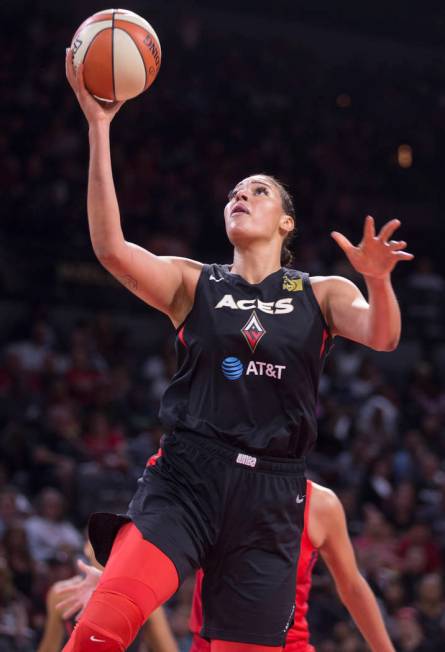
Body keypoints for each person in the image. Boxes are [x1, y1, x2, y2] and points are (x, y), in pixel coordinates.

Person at [64, 49, 413, 652]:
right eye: (233, 193)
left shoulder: (322, 291)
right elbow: (110, 247)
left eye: (257, 192)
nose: (240, 197)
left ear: (286, 224)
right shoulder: (193, 281)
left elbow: (384, 337)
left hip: (273, 496)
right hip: (187, 477)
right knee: (100, 630)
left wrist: (378, 281)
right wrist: (100, 128)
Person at [51, 480, 396, 652]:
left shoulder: (320, 503)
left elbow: (351, 586)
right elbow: (157, 548)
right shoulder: (204, 490)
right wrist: (116, 581)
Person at [37, 544, 178, 652]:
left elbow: (166, 648)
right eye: (100, 538)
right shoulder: (61, 593)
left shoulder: (143, 596)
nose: (107, 545)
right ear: (87, 547)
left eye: (114, 541)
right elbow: (49, 647)